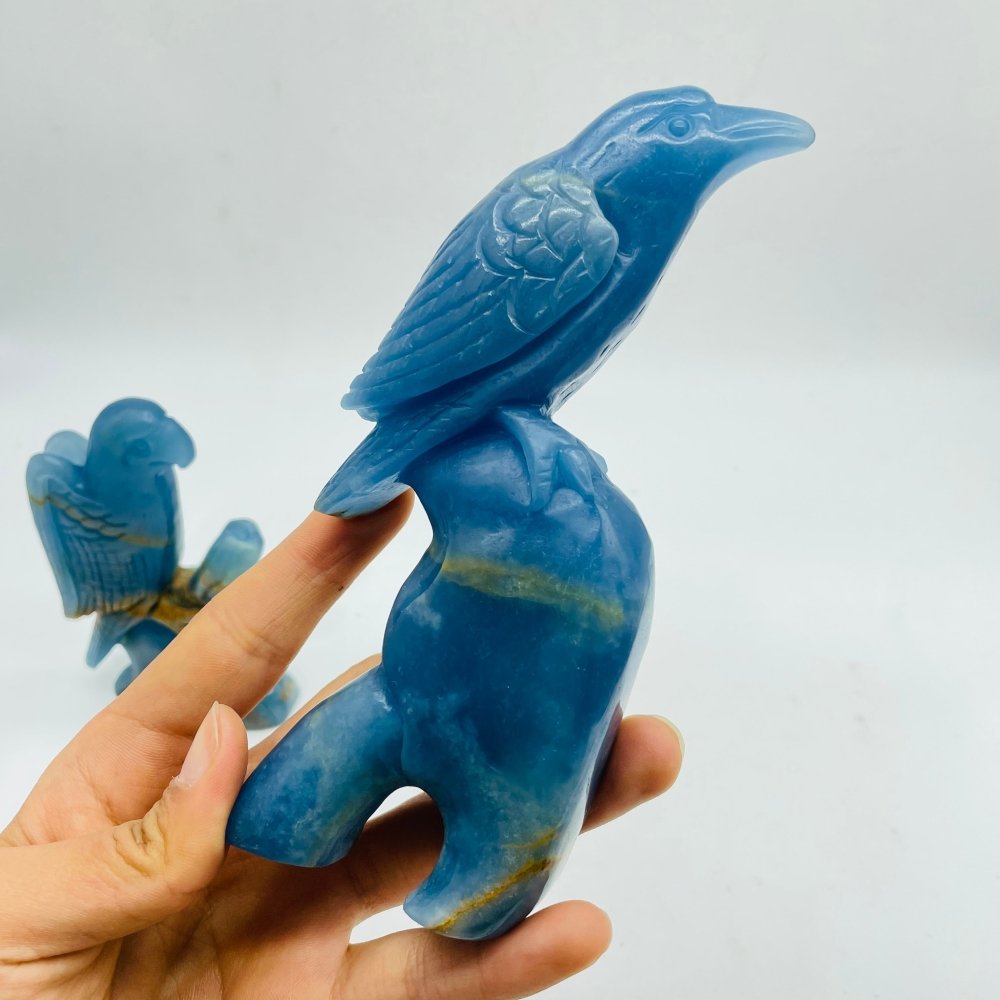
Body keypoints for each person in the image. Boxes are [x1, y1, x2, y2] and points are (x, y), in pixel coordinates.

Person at [0, 494, 683, 999]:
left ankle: (350, 840)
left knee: (442, 839)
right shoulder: (574, 525)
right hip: (411, 700)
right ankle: (308, 830)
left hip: (473, 715)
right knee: (292, 804)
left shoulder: (578, 536)